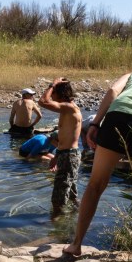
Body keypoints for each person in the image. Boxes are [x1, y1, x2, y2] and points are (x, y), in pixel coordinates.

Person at [62, 68, 132, 258]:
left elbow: (113, 92)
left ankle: (76, 244)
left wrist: (96, 124)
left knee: (95, 185)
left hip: (119, 116)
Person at [39, 77, 83, 216]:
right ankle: (80, 215)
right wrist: (57, 156)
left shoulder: (69, 107)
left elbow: (43, 101)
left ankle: (56, 224)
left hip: (69, 156)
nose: (51, 94)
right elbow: (65, 138)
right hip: (68, 154)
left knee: (58, 195)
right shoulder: (68, 109)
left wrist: (53, 84)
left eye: (54, 92)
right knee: (71, 193)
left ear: (60, 93)